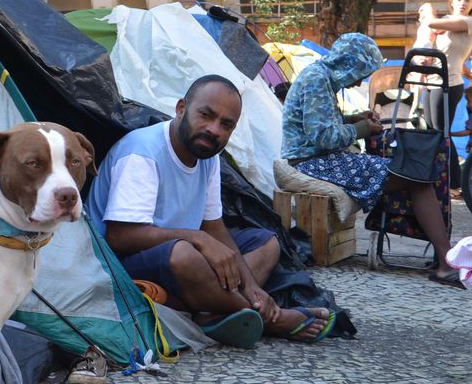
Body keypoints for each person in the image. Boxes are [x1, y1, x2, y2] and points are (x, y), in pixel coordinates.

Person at [86, 75, 335, 348]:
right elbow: (119, 237)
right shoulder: (143, 153)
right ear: (182, 109)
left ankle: (217, 311)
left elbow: (213, 227)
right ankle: (268, 319)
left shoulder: (208, 157)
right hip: (122, 265)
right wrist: (200, 240)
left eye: (226, 125)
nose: (214, 129)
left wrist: (251, 285)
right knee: (184, 254)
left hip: (180, 253)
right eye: (206, 115)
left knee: (267, 243)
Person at [282, 33, 457, 286]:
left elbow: (320, 125)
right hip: (311, 163)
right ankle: (445, 262)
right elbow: (322, 137)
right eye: (362, 72)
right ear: (350, 63)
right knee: (415, 178)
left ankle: (444, 258)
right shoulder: (317, 80)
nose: (362, 79)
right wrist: (363, 128)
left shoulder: (321, 78)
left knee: (413, 175)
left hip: (319, 158)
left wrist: (355, 119)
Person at [424, 0, 472, 135]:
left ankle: (450, 159)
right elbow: (460, 60)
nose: (463, 3)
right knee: (431, 133)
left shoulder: (468, 22)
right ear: (452, 2)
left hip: (449, 84)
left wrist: (428, 8)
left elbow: (431, 23)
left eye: (468, 0)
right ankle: (436, 159)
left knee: (441, 134)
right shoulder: (445, 20)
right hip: (429, 82)